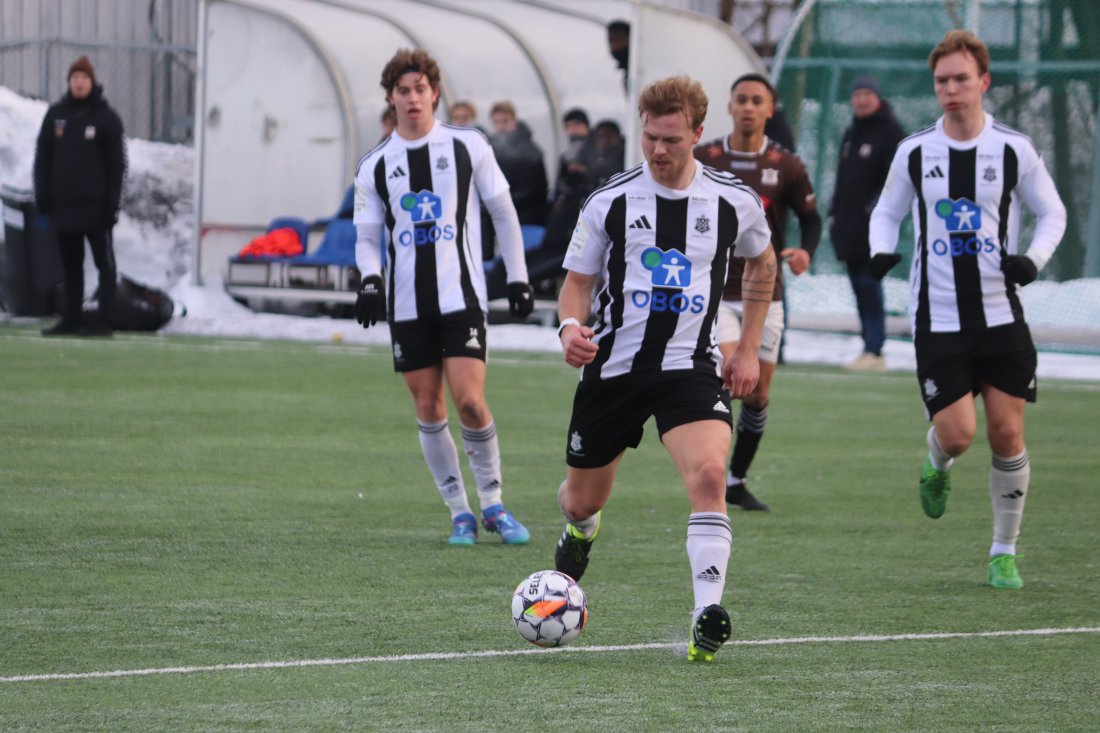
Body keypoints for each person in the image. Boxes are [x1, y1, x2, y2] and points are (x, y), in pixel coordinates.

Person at [554, 76, 777, 662]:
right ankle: (581, 531)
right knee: (580, 500)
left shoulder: (734, 200)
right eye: (650, 137)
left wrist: (748, 348)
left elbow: (763, 264)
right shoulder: (610, 200)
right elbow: (576, 284)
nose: (657, 150)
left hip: (691, 369)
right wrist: (569, 329)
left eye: (672, 140)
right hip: (614, 368)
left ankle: (706, 612)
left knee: (708, 476)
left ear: (698, 134)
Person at [868, 30, 1066, 589]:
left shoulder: (1013, 149)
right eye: (942, 81)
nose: (951, 89)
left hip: (1002, 315)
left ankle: (1004, 551)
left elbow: (1052, 213)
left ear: (983, 81)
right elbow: (886, 212)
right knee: (957, 434)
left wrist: (1033, 259)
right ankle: (937, 466)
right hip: (938, 318)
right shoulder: (914, 151)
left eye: (961, 79)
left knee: (1007, 433)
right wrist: (883, 249)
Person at [352, 48, 536, 546]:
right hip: (408, 306)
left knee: (471, 401)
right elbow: (367, 237)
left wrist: (517, 276)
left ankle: (494, 503)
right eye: (402, 91)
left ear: (435, 92)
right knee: (428, 404)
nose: (412, 99)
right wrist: (371, 280)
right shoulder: (374, 165)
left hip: (463, 298)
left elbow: (503, 212)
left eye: (420, 89)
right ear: (391, 99)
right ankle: (459, 511)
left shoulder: (468, 146)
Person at [694, 73, 821, 511]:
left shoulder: (786, 165)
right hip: (714, 291)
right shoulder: (703, 158)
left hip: (767, 295)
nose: (748, 107)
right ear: (729, 107)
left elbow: (811, 218)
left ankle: (735, 479)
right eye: (741, 100)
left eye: (756, 101)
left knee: (759, 394)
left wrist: (805, 250)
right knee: (733, 372)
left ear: (770, 109)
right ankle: (708, 474)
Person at [33, 55, 126, 337]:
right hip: (65, 208)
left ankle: (102, 320)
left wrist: (112, 204)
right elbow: (43, 158)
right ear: (69, 82)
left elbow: (117, 165)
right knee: (71, 266)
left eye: (84, 78)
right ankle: (72, 318)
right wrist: (43, 197)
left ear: (92, 81)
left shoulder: (106, 118)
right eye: (75, 78)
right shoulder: (56, 115)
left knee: (104, 265)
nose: (79, 83)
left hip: (96, 209)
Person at [830, 74, 906, 371]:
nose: (861, 100)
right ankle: (868, 346)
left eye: (867, 94)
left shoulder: (890, 133)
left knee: (869, 283)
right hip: (848, 228)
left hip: (874, 229)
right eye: (857, 94)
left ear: (877, 98)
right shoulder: (851, 132)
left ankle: (875, 348)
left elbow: (895, 181)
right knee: (858, 287)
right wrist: (836, 213)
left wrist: (872, 211)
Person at [488, 100, 548, 227]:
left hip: (525, 218)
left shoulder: (530, 150)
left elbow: (533, 190)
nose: (501, 127)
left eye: (505, 121)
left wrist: (501, 203)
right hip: (500, 216)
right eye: (496, 122)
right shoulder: (490, 149)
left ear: (514, 121)